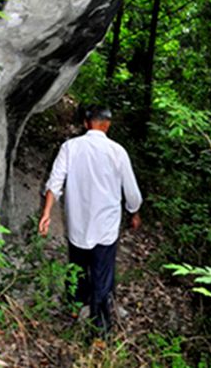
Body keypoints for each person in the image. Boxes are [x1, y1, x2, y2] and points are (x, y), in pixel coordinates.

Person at [38, 106, 142, 337]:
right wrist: (134, 212)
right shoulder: (118, 152)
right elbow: (132, 193)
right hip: (105, 227)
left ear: (86, 123)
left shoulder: (70, 147)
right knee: (102, 275)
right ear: (108, 124)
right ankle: (100, 331)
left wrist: (46, 213)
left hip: (78, 224)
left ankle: (76, 308)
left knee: (77, 266)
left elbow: (55, 183)